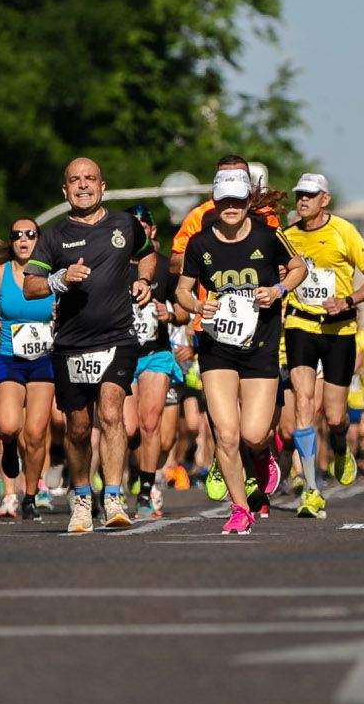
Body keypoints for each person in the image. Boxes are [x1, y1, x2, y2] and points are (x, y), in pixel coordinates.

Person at [23, 159, 155, 532]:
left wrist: (144, 281)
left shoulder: (124, 225)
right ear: (65, 191)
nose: (83, 185)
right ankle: (82, 497)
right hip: (71, 343)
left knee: (111, 413)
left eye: (90, 179)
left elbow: (147, 254)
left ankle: (113, 497)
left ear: (102, 186)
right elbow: (30, 286)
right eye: (75, 180)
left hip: (117, 337)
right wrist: (59, 279)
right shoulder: (53, 236)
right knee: (78, 427)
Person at [177, 166, 302, 533]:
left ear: (248, 202)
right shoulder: (200, 243)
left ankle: (262, 454)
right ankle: (239, 508)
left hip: (260, 345)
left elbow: (299, 268)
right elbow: (182, 289)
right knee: (226, 433)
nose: (230, 207)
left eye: (237, 201)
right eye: (224, 201)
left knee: (253, 434)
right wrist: (197, 305)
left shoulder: (269, 237)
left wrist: (277, 291)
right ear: (215, 203)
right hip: (217, 347)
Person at [279, 173, 364, 519]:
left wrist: (348, 300)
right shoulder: (287, 236)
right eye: (300, 195)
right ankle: (311, 488)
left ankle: (340, 447)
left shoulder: (344, 231)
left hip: (339, 330)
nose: (303, 201)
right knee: (304, 404)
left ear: (325, 199)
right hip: (300, 325)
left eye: (310, 195)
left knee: (336, 416)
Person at [0, 218, 56, 520]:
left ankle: (31, 495)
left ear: (39, 240)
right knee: (8, 427)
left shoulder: (52, 275)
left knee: (35, 434)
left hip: (44, 359)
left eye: (30, 234)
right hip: (10, 357)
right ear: (11, 241)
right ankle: (9, 449)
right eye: (17, 235)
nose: (23, 240)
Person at [124, 203, 184, 519]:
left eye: (142, 227)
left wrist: (169, 313)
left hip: (155, 353)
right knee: (128, 427)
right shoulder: (112, 263)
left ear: (152, 230)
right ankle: (126, 477)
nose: (137, 232)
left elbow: (184, 309)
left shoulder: (163, 267)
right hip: (121, 355)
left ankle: (146, 491)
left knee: (150, 424)